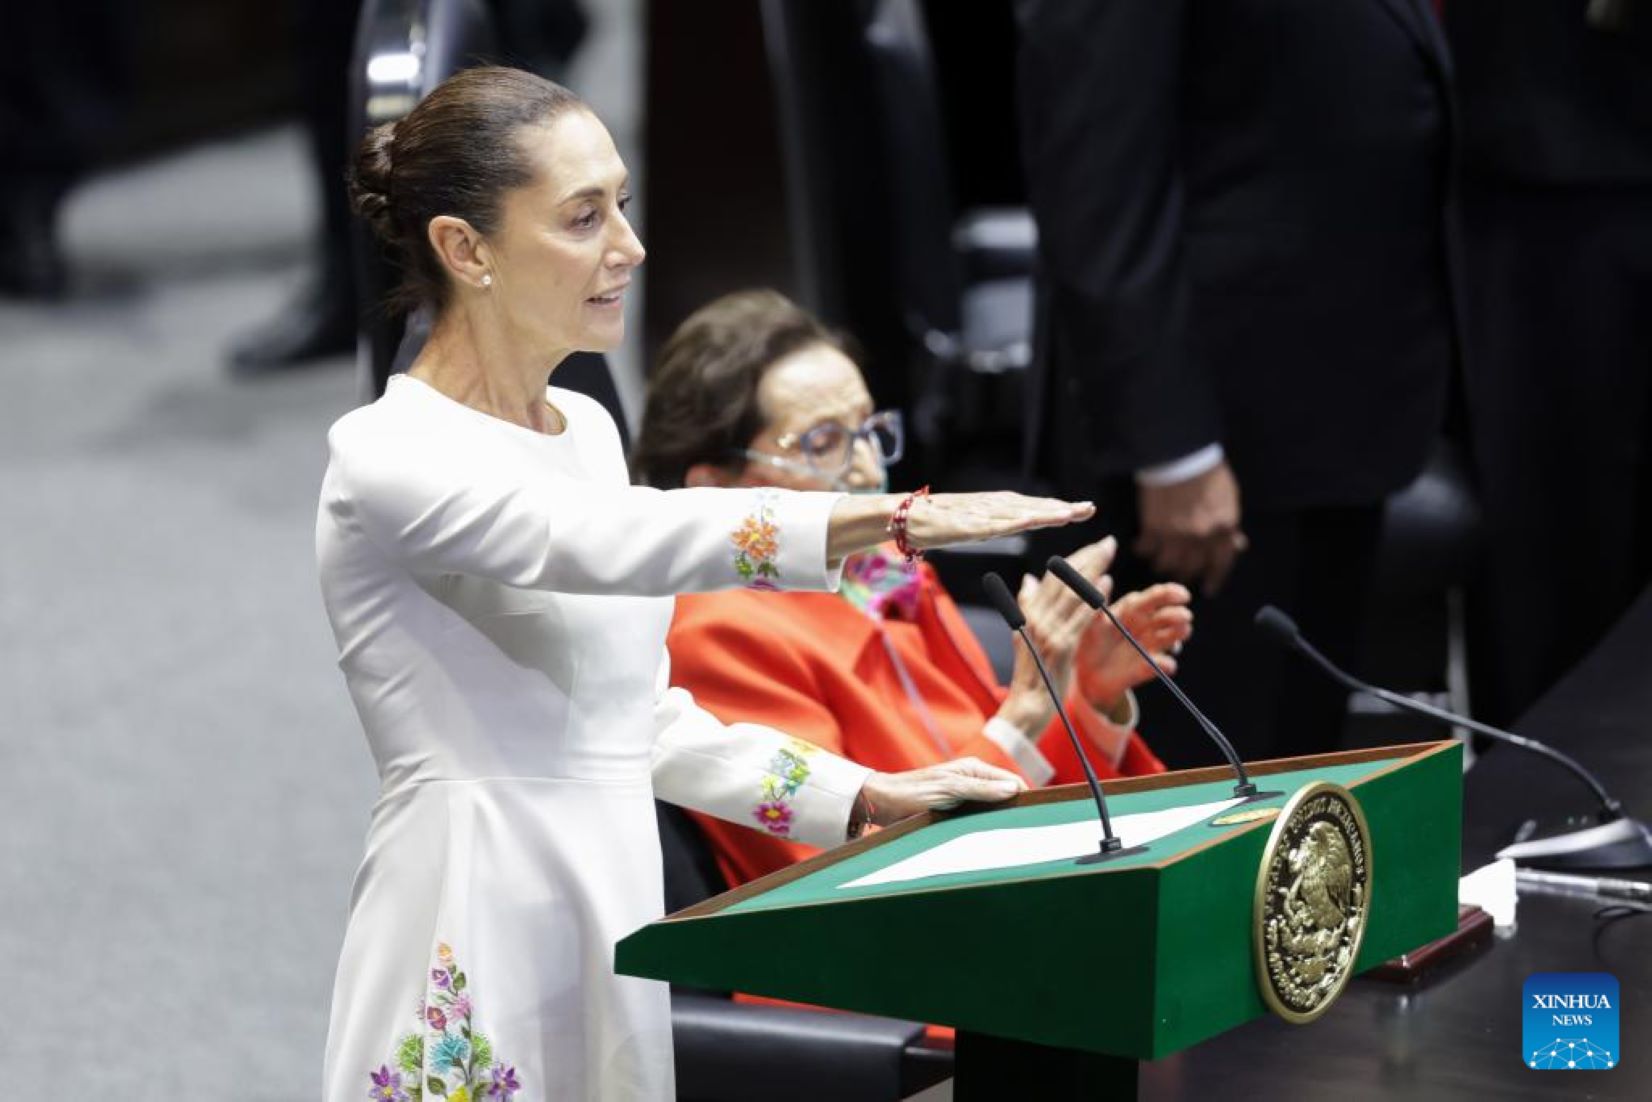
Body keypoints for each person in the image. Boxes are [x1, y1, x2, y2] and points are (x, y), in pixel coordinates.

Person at [317, 66, 1092, 1100]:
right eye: (582, 218)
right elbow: (601, 540)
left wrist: (860, 796)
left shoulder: (587, 429)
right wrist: (889, 517)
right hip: (474, 890)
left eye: (622, 206)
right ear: (466, 249)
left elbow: (637, 721)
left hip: (615, 891)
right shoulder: (386, 452)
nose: (627, 249)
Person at [1013, 0, 1461, 765]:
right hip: (1206, 445)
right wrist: (1172, 445)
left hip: (1334, 415)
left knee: (1297, 791)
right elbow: (1097, 168)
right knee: (1196, 798)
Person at [633, 290, 1193, 889]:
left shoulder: (887, 576)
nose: (868, 468)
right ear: (715, 489)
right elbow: (840, 882)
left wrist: (1087, 701)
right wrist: (1025, 713)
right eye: (824, 443)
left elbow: (1018, 796)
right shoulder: (718, 634)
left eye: (870, 430)